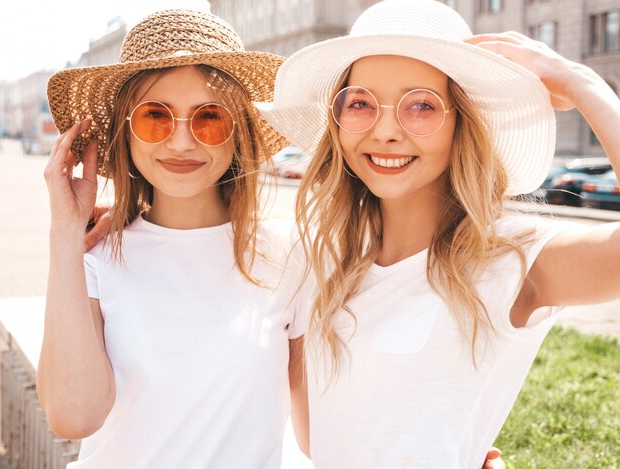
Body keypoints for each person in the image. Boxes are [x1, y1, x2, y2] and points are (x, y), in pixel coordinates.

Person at [256, 0, 620, 467]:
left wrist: (582, 83)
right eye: (361, 103)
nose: (385, 130)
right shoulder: (319, 268)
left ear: (461, 123)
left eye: (422, 106)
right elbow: (316, 441)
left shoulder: (511, 258)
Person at [37, 9, 305, 468]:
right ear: (124, 132)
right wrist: (64, 234)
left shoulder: (290, 258)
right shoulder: (92, 256)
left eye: (210, 119)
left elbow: (323, 431)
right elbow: (73, 416)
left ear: (237, 132)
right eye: (155, 117)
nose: (182, 142)